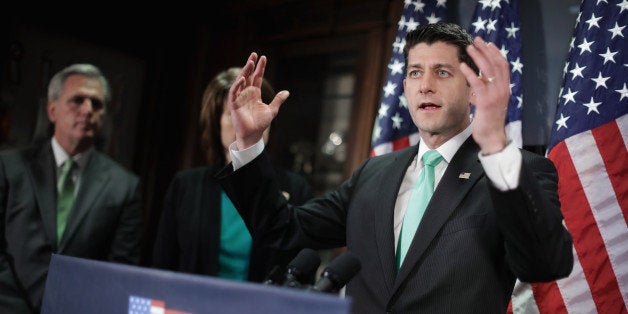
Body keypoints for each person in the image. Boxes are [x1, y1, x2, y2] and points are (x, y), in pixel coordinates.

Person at [217, 23, 574, 313]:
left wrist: (495, 146)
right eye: (415, 73)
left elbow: (544, 264)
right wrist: (248, 144)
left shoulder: (516, 169)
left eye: (443, 72)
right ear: (404, 87)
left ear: (473, 89)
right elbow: (282, 231)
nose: (426, 85)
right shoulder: (374, 173)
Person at [0, 64, 143, 313]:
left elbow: (118, 270)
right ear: (52, 110)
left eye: (96, 104)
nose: (87, 110)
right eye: (78, 100)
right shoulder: (9, 166)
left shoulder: (125, 187)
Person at [152, 67, 313, 283]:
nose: (248, 122)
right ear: (215, 123)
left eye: (256, 110)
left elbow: (303, 274)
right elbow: (162, 268)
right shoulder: (186, 185)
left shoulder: (295, 188)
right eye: (234, 113)